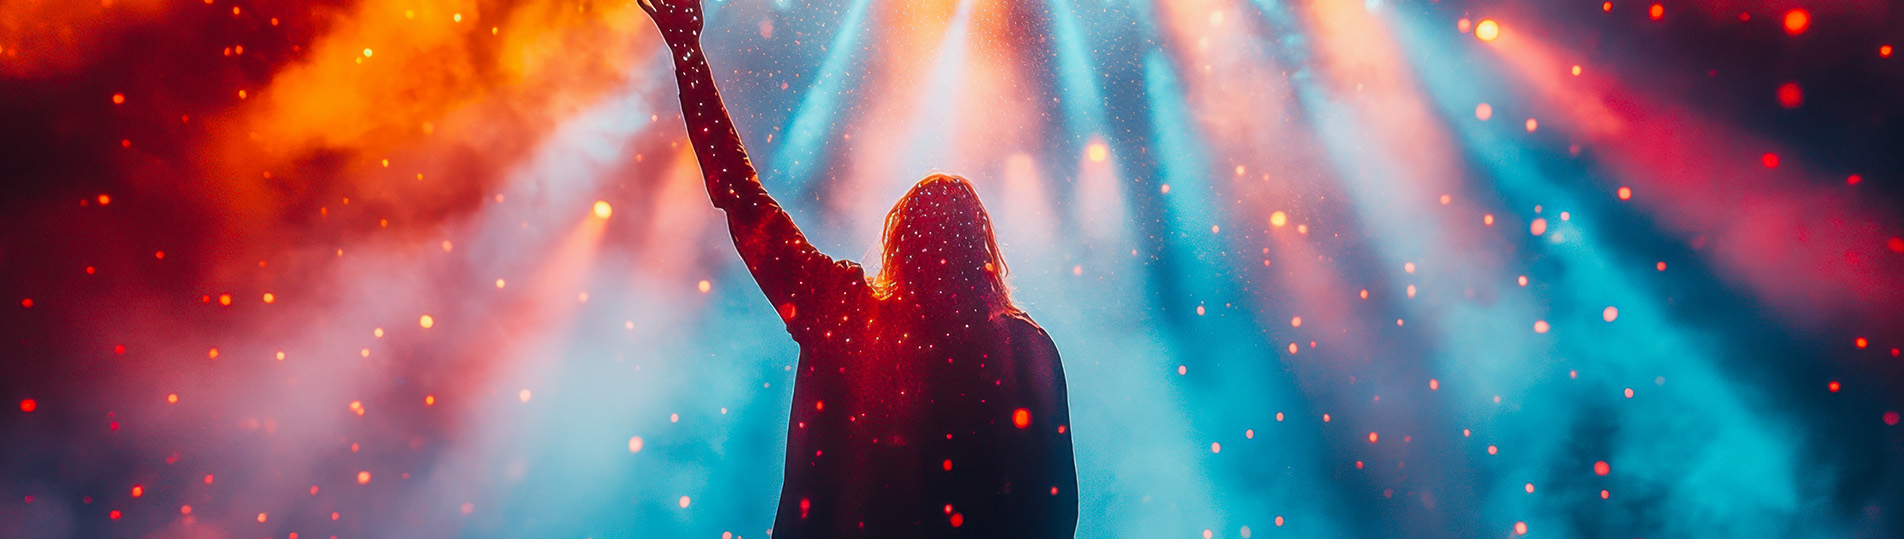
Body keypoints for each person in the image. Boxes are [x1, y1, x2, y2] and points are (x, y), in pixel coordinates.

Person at [637, 1, 1079, 537]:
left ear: (900, 244)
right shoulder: (1022, 350)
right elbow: (1055, 513)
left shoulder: (844, 315)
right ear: (981, 254)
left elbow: (740, 197)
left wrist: (688, 53)